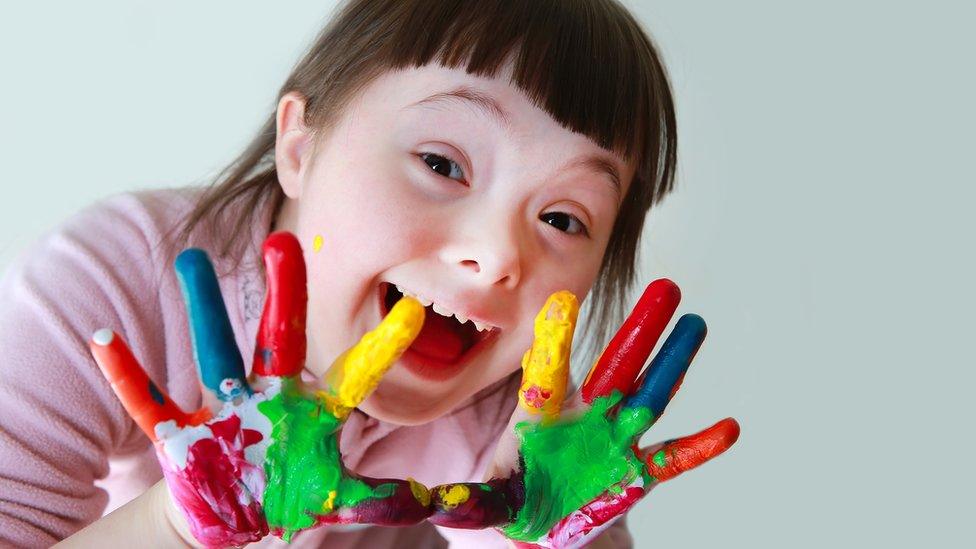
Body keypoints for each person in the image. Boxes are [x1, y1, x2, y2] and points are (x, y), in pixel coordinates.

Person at [0, 0, 731, 547]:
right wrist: (177, 526)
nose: (501, 255)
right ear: (300, 145)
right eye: (442, 165)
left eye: (564, 219)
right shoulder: (119, 280)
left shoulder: (523, 424)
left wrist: (535, 536)